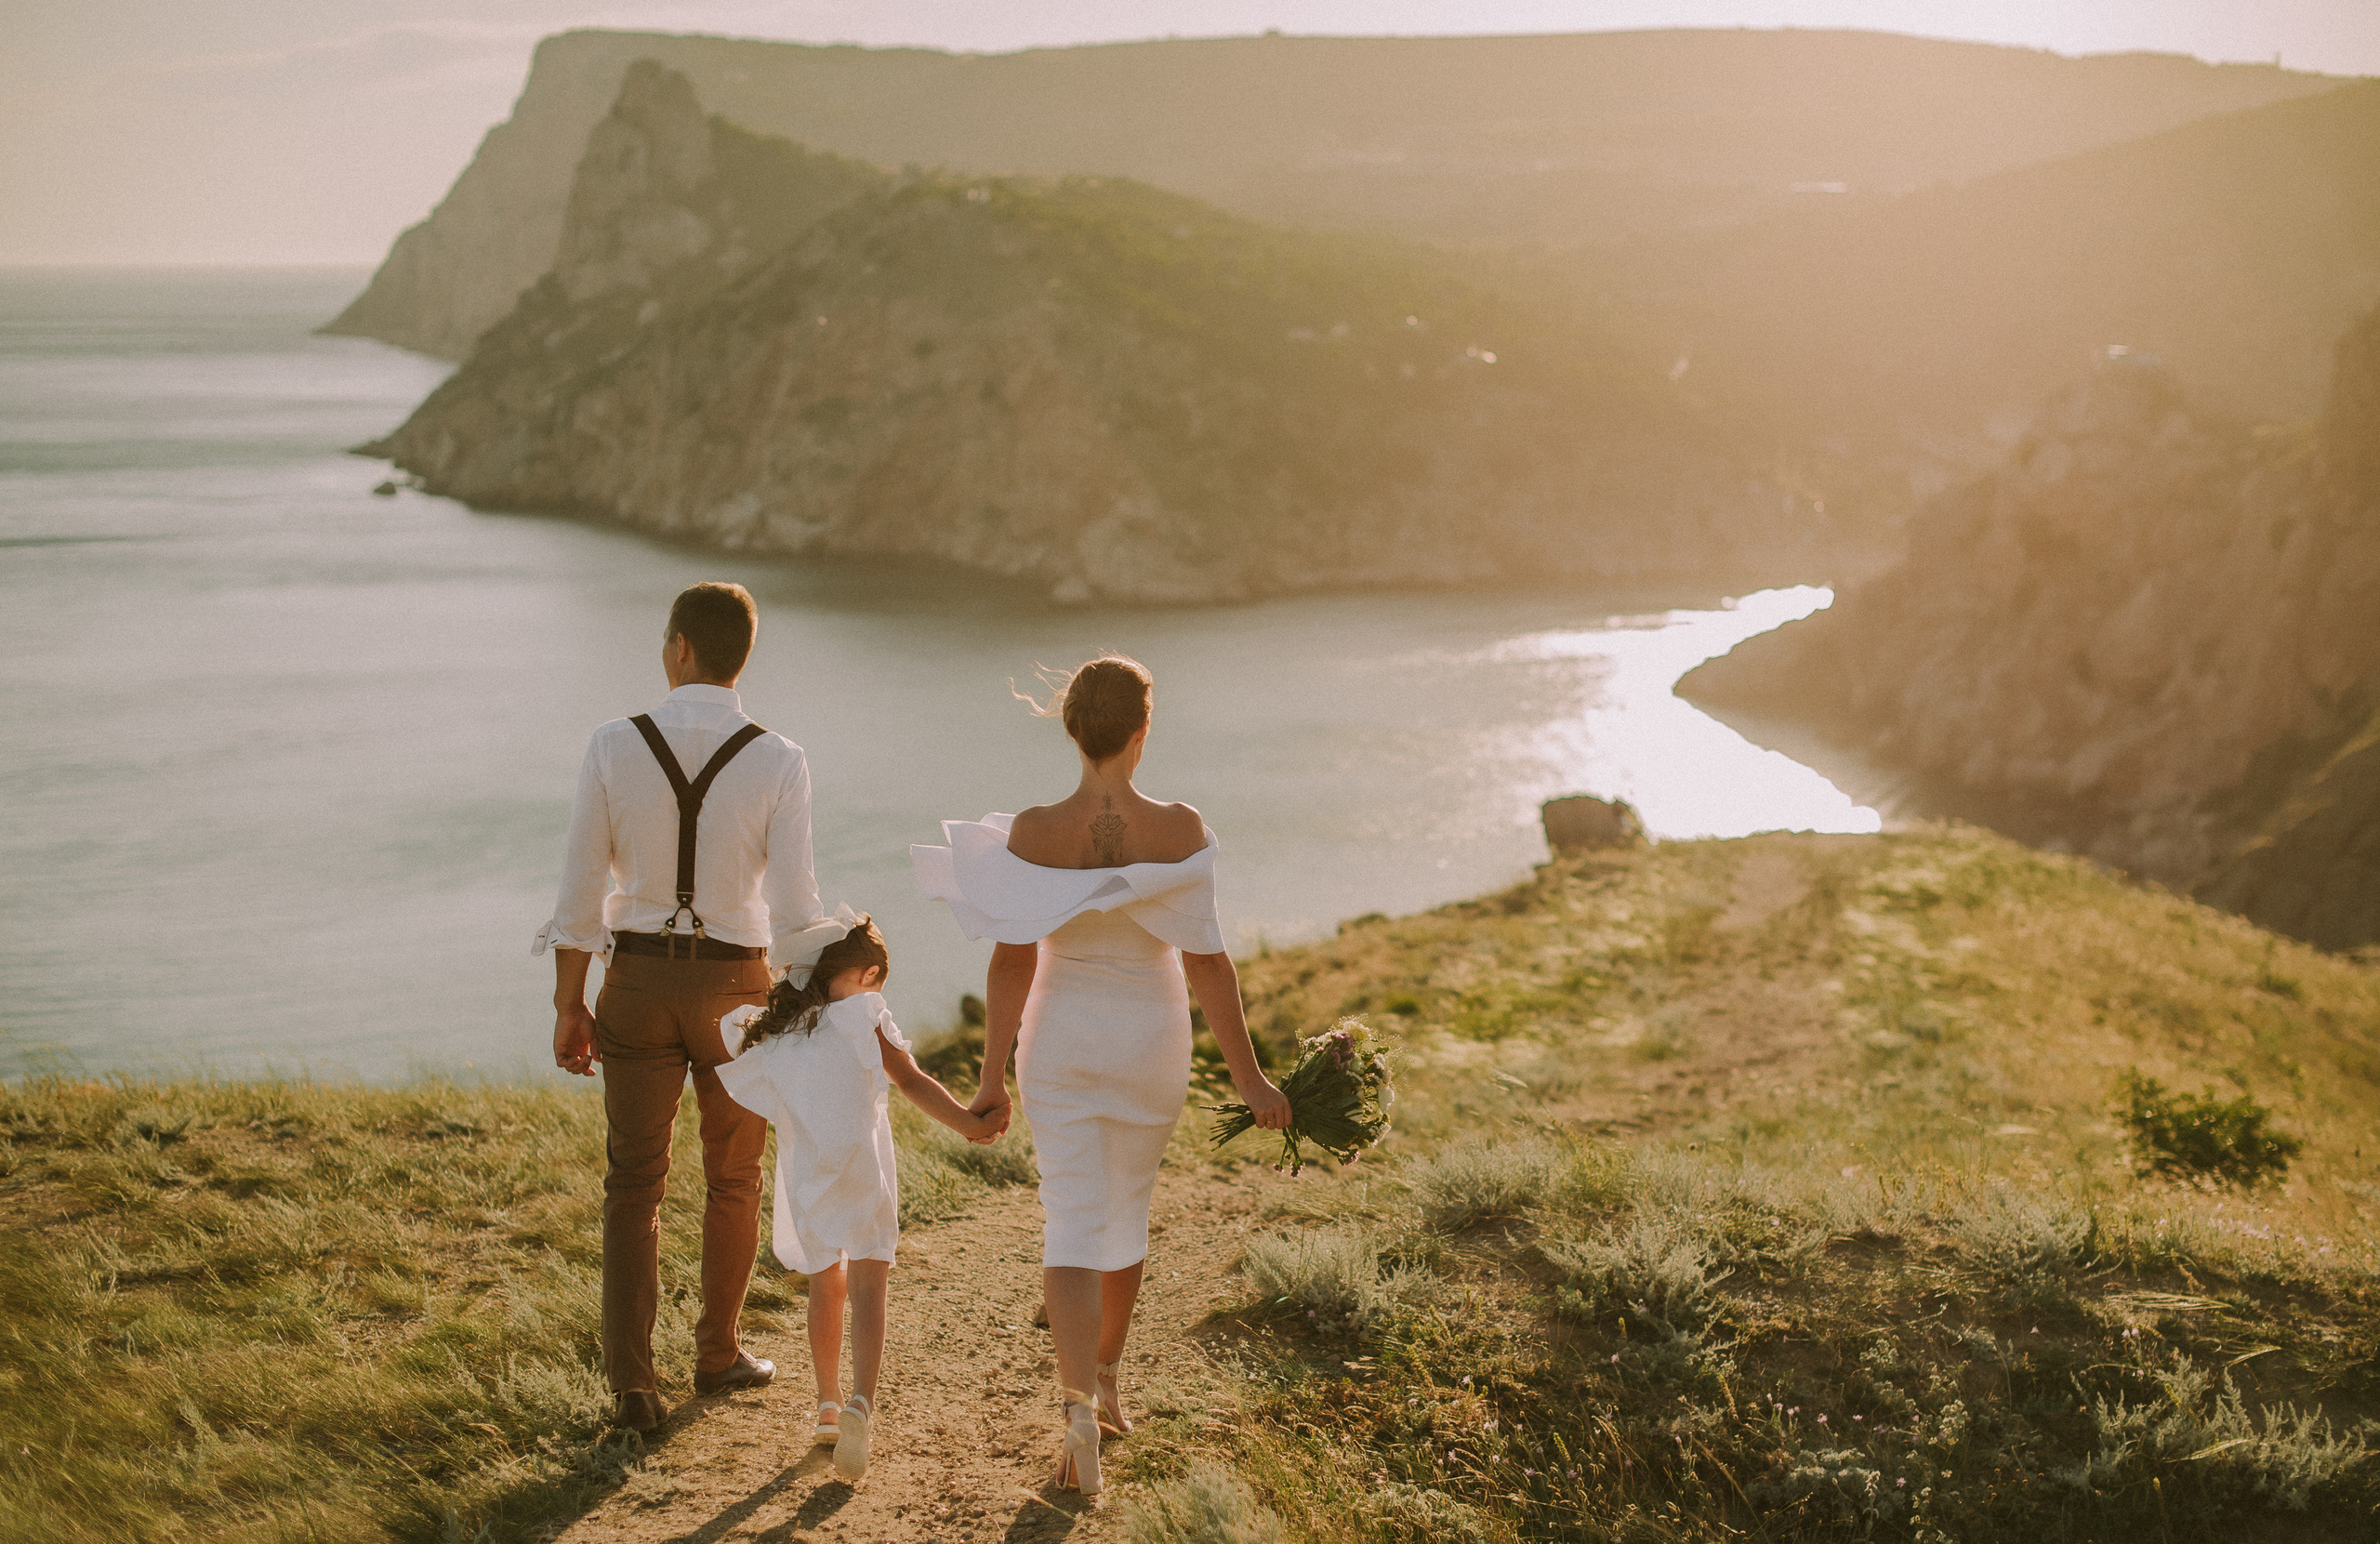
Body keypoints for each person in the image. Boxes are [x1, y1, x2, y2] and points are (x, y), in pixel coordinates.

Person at [912, 654, 1290, 1496]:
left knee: (1071, 1220)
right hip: (1149, 1039)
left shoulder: (1035, 832)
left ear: (1072, 729)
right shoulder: (1181, 828)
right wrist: (1252, 1081)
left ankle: (1079, 1408)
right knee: (1125, 1211)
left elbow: (1012, 964)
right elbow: (1209, 964)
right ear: (1142, 731)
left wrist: (989, 1078)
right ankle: (1110, 1379)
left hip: (1060, 1039)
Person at [536, 581, 843, 1433]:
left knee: (633, 1183)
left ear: (679, 648)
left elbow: (579, 889)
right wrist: (810, 1003)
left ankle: (634, 1387)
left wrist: (569, 1001)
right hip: (736, 988)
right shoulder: (780, 758)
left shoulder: (613, 743)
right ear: (741, 655)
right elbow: (795, 908)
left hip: (636, 980)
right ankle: (717, 1352)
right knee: (733, 1178)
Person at [715, 912, 996, 1481]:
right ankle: (860, 1404)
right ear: (870, 975)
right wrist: (969, 1123)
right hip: (864, 1166)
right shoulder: (866, 1016)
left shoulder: (784, 1029)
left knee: (827, 1284)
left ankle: (827, 1403)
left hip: (808, 1173)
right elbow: (910, 1079)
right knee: (869, 1284)